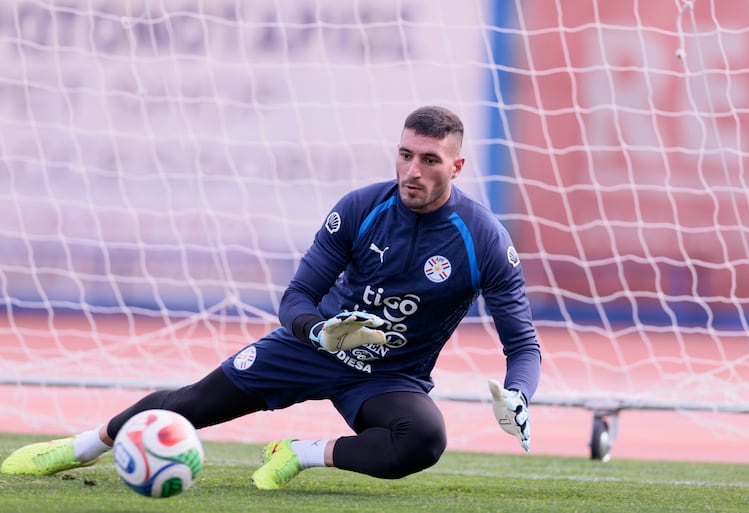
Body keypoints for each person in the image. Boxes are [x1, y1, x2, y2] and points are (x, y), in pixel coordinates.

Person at [1, 105, 541, 489]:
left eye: (429, 160)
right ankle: (77, 448)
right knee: (190, 405)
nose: (412, 171)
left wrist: (518, 394)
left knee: (421, 441)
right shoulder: (359, 208)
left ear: (458, 167)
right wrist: (318, 332)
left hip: (387, 376)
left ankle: (299, 454)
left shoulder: (483, 240)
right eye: (405, 155)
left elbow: (523, 346)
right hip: (312, 346)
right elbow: (299, 295)